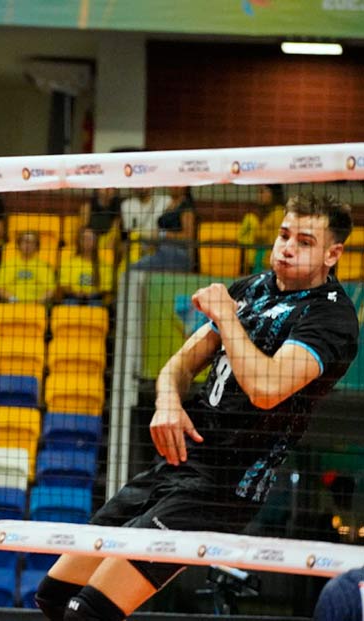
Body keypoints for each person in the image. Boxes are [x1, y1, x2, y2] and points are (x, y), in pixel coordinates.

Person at [36, 193, 358, 621]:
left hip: (223, 487)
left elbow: (266, 388)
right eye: (283, 235)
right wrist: (167, 401)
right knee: (54, 596)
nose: (286, 247)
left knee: (89, 612)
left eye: (304, 241)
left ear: (332, 254)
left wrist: (227, 316)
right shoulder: (252, 288)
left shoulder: (330, 318)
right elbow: (179, 365)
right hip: (177, 463)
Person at [131, 186, 196, 272]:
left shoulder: (186, 206)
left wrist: (163, 234)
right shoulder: (170, 203)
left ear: (185, 187)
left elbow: (188, 236)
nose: (174, 187)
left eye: (178, 184)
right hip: (161, 250)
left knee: (134, 268)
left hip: (177, 254)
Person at [0, 231, 57, 304]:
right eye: (25, 241)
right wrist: (12, 299)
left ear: (37, 246)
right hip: (11, 304)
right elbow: (0, 288)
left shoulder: (44, 266)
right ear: (19, 244)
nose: (28, 245)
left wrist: (38, 301)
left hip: (37, 306)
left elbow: (51, 290)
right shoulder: (7, 265)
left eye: (32, 242)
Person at [57, 227, 112, 304]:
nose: (87, 241)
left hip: (95, 298)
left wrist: (92, 294)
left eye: (90, 238)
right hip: (72, 297)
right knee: (70, 303)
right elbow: (63, 286)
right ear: (79, 241)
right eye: (84, 238)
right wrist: (75, 293)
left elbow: (106, 289)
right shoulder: (68, 263)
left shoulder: (105, 266)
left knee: (95, 303)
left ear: (96, 242)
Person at [240, 184, 286, 274]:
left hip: (268, 265)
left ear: (273, 194)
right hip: (265, 263)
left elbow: (263, 237)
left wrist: (253, 223)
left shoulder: (278, 214)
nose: (259, 196)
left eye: (262, 192)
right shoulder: (271, 213)